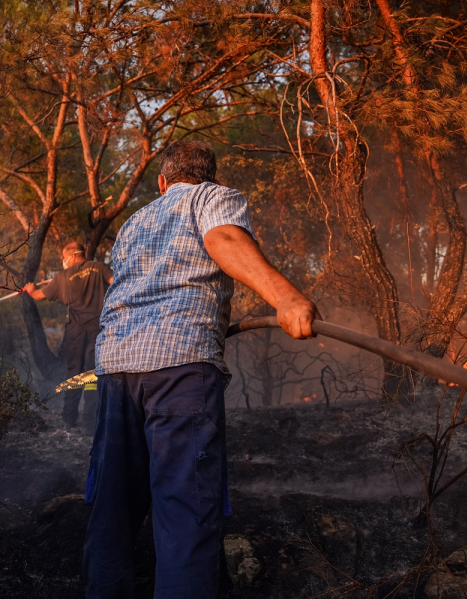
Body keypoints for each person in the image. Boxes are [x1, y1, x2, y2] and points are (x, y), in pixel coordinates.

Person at [84, 141, 320, 598]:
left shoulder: (133, 222)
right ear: (209, 176)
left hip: (115, 370)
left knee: (113, 509)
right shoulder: (213, 197)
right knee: (185, 512)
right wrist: (286, 297)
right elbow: (223, 240)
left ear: (162, 182)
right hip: (179, 370)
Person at [22, 241, 112, 430]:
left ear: (73, 255)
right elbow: (116, 282)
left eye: (64, 258)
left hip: (76, 331)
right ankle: (89, 422)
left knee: (75, 373)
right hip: (98, 328)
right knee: (92, 374)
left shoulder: (64, 276)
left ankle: (69, 417)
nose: (64, 261)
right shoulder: (100, 268)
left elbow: (39, 295)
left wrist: (30, 290)